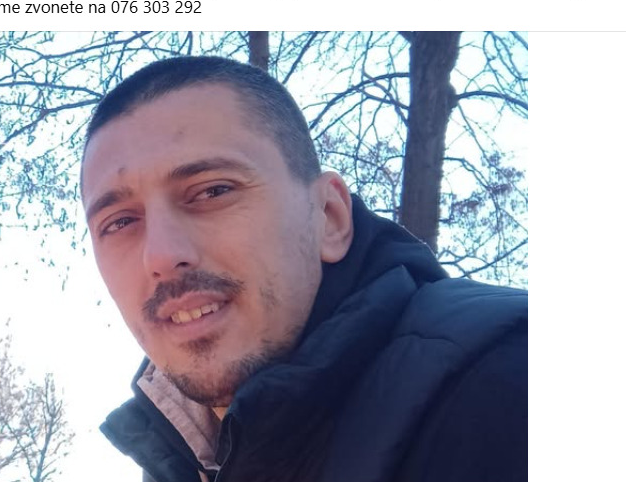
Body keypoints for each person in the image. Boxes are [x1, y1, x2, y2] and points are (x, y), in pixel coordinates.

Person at [80, 56, 527, 482]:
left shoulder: (510, 388)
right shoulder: (180, 455)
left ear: (329, 217)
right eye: (119, 223)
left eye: (213, 191)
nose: (160, 255)